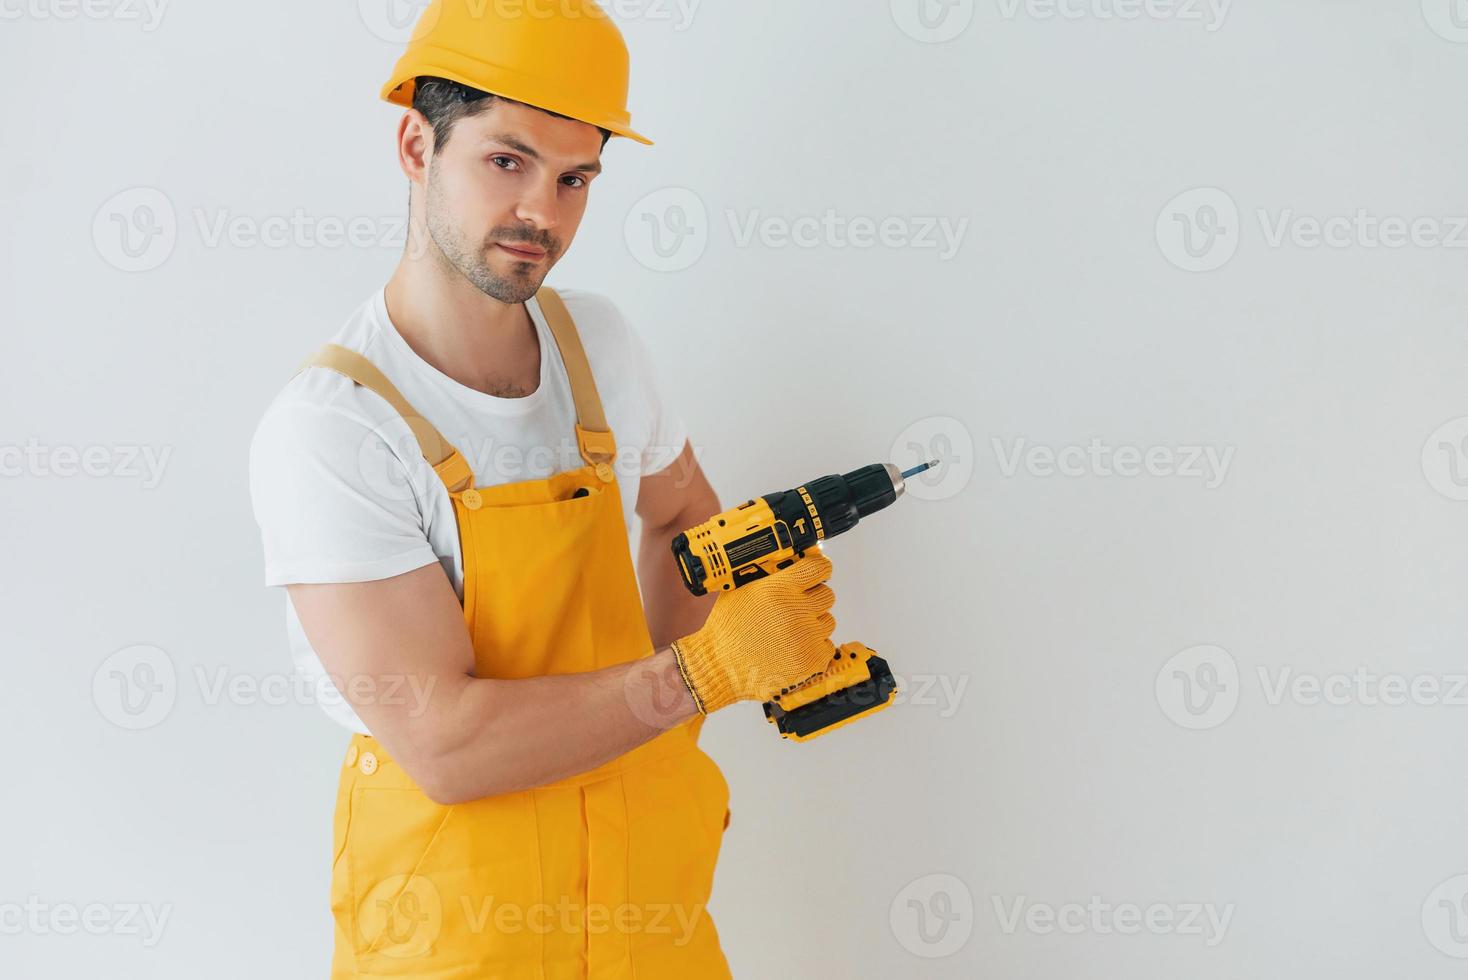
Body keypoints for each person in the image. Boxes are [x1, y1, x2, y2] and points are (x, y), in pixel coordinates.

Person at [247, 2, 839, 976]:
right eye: (507, 161)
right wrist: (698, 674)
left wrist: (752, 606)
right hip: (459, 940)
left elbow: (689, 520)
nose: (544, 214)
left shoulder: (597, 345)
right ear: (414, 143)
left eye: (576, 178)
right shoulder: (337, 431)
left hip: (652, 919)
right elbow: (445, 742)